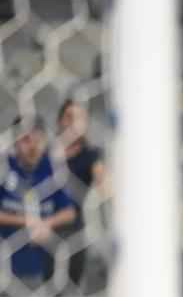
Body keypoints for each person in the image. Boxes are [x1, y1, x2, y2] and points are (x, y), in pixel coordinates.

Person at [0, 115, 78, 286]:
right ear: (15, 141)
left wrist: (45, 224)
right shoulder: (5, 169)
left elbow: (70, 212)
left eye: (38, 139)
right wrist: (27, 221)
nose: (33, 146)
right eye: (26, 140)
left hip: (39, 268)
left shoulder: (51, 170)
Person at [56, 99, 106, 286]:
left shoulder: (90, 154)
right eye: (68, 117)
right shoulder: (47, 152)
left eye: (79, 118)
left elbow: (102, 180)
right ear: (59, 121)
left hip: (74, 230)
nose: (72, 123)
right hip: (42, 225)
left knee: (70, 285)